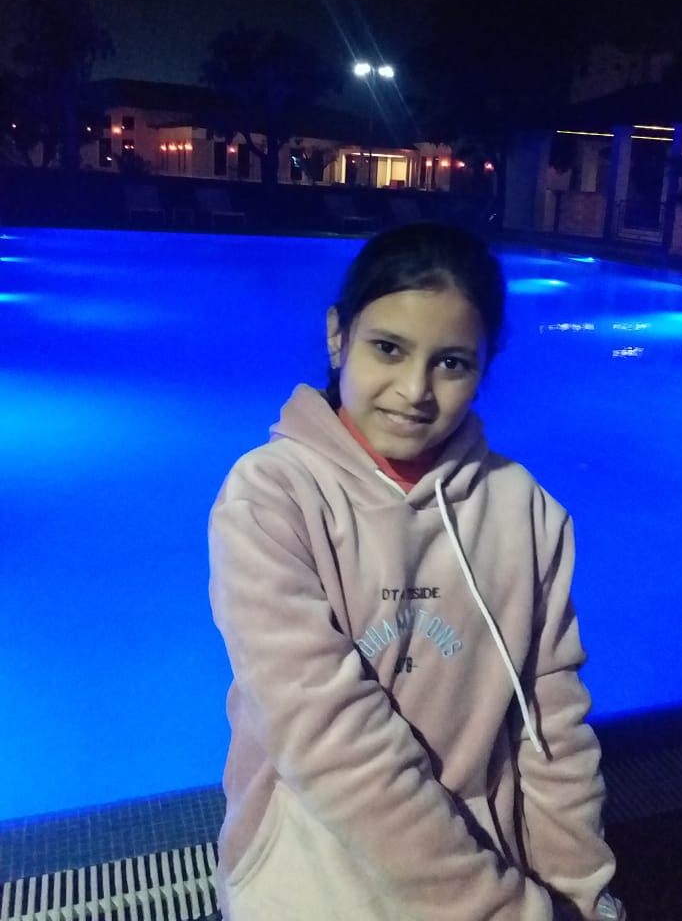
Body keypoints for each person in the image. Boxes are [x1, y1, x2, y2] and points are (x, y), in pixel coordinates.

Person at [208, 222, 625, 921]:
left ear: (484, 366)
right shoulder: (272, 497)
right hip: (310, 876)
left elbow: (551, 727)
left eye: (451, 363)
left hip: (486, 864)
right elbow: (329, 736)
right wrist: (499, 909)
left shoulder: (525, 510)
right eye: (389, 348)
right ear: (338, 335)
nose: (414, 391)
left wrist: (580, 894)